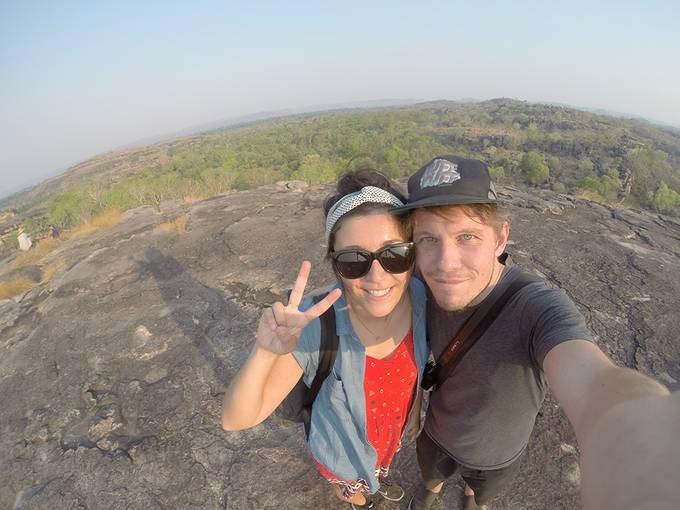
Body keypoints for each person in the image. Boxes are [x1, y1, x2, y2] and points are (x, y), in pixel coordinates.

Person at [395, 156, 679, 510]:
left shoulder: (537, 308)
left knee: (477, 492)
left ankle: (471, 499)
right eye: (427, 239)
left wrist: (641, 439)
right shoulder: (421, 286)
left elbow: (593, 382)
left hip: (497, 454)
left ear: (500, 239)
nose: (445, 262)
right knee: (432, 478)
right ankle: (432, 495)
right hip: (437, 432)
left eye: (467, 236)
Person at [222, 169, 430, 509]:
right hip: (341, 451)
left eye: (395, 254)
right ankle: (358, 497)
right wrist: (264, 352)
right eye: (353, 260)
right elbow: (237, 419)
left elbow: (417, 368)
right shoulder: (315, 326)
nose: (378, 276)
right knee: (351, 487)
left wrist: (416, 409)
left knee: (378, 467)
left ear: (413, 253)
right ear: (335, 265)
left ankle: (376, 477)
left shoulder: (421, 297)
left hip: (390, 433)